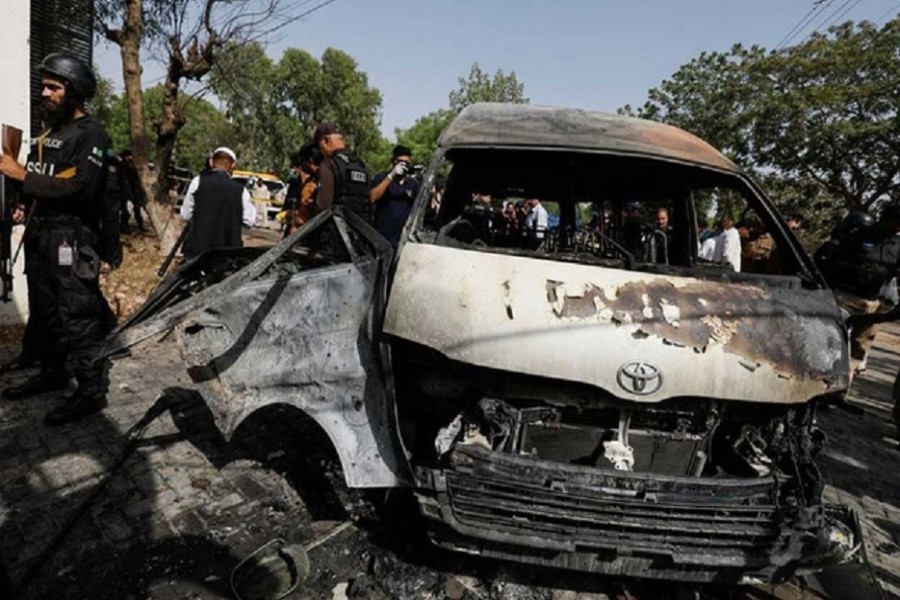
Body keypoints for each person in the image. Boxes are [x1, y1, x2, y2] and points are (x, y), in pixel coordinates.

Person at [0, 53, 116, 426]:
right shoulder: (49, 134)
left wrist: (21, 176)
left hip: (71, 236)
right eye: (44, 86)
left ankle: (92, 389)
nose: (45, 93)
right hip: (40, 235)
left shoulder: (91, 135)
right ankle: (52, 371)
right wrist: (24, 203)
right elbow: (45, 176)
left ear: (75, 92)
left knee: (77, 315)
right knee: (45, 309)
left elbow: (82, 187)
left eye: (54, 87)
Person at [818, 207, 900, 375]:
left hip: (872, 305)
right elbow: (830, 262)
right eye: (895, 223)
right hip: (845, 298)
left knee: (858, 351)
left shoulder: (897, 246)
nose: (896, 228)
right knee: (830, 344)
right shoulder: (857, 236)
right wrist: (854, 269)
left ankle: (840, 392)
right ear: (884, 219)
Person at [179, 147, 256, 259]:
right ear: (233, 165)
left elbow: (185, 214)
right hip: (226, 256)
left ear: (211, 162)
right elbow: (249, 221)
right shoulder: (241, 191)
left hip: (196, 252)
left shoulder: (198, 182)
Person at [313, 123, 371, 222]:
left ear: (326, 141)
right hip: (361, 230)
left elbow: (323, 207)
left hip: (337, 231)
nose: (320, 151)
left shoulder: (329, 164)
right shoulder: (361, 165)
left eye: (319, 146)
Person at [370, 144, 421, 247]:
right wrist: (391, 176)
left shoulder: (413, 184)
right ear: (393, 161)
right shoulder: (382, 178)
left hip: (403, 239)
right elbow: (372, 197)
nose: (403, 165)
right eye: (400, 162)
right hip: (382, 236)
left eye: (406, 163)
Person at [118, 149, 147, 233]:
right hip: (125, 190)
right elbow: (124, 179)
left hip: (133, 189)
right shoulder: (123, 165)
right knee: (125, 209)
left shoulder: (132, 165)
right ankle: (124, 226)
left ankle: (139, 224)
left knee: (135, 208)